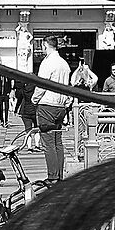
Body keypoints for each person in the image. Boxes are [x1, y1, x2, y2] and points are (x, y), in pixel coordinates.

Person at [33, 41, 82, 181]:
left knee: (48, 143)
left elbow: (41, 84)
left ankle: (52, 176)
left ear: (45, 46)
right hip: (60, 107)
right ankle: (59, 175)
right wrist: (66, 103)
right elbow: (67, 86)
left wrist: (34, 99)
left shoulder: (47, 63)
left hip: (47, 104)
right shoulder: (64, 64)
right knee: (58, 142)